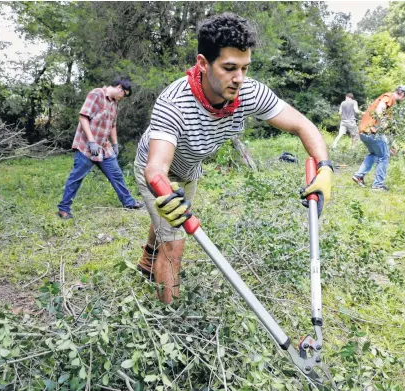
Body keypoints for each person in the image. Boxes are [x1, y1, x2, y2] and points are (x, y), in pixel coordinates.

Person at [133, 13, 333, 304]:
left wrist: (324, 167)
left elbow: (302, 125)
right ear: (203, 63)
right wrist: (161, 189)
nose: (238, 78)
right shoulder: (173, 102)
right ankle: (169, 320)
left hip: (189, 168)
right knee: (174, 246)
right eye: (229, 68)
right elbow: (156, 168)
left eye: (244, 68)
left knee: (166, 220)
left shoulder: (249, 92)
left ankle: (146, 259)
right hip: (155, 172)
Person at [57, 78, 144, 219]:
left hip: (104, 148)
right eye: (125, 94)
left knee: (116, 175)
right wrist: (91, 142)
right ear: (119, 88)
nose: (124, 98)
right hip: (87, 146)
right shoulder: (96, 94)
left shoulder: (115, 103)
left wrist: (115, 144)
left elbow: (113, 125)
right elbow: (83, 117)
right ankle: (63, 209)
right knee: (76, 177)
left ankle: (129, 202)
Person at [351, 85, 405, 191]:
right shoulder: (389, 97)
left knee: (375, 154)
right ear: (402, 93)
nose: (404, 99)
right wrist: (383, 121)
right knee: (384, 156)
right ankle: (378, 185)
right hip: (372, 132)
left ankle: (359, 176)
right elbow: (379, 110)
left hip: (363, 132)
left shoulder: (387, 100)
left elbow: (383, 127)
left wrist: (390, 145)